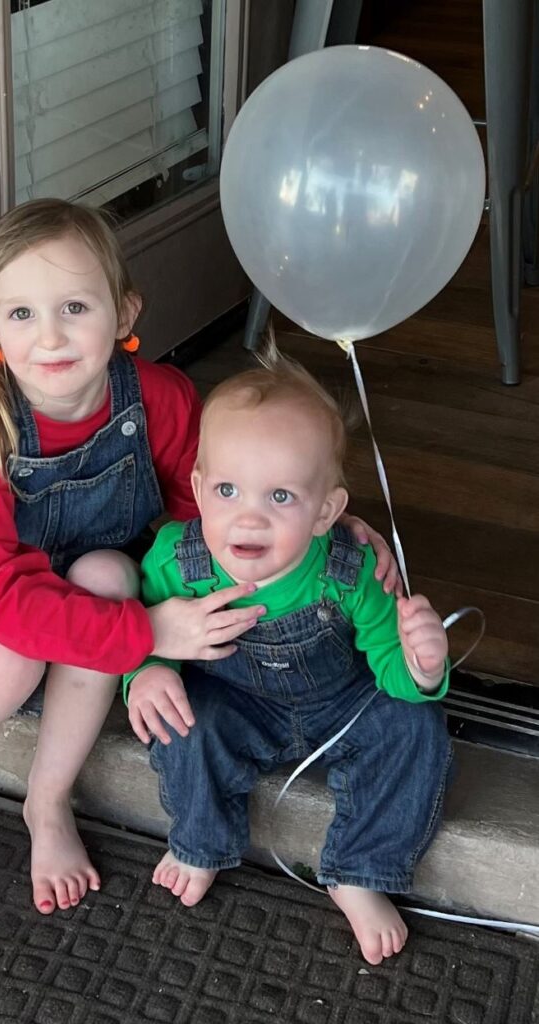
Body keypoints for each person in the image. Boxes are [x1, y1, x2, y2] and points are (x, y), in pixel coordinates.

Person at [0, 199, 397, 994]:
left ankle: (46, 804)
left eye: (75, 308)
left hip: (111, 589)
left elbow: (221, 510)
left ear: (123, 313)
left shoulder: (156, 399)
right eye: (21, 312)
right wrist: (144, 639)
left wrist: (326, 529)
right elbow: (0, 598)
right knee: (13, 661)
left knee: (105, 575)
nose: (49, 336)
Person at [125, 346, 453, 966]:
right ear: (197, 489)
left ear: (327, 510)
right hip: (236, 703)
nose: (248, 516)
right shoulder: (177, 560)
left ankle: (360, 870)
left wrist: (423, 665)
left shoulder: (351, 571)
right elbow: (142, 632)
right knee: (182, 721)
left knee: (415, 726)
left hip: (343, 707)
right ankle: (199, 839)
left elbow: (392, 672)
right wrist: (145, 672)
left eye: (281, 498)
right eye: (227, 489)